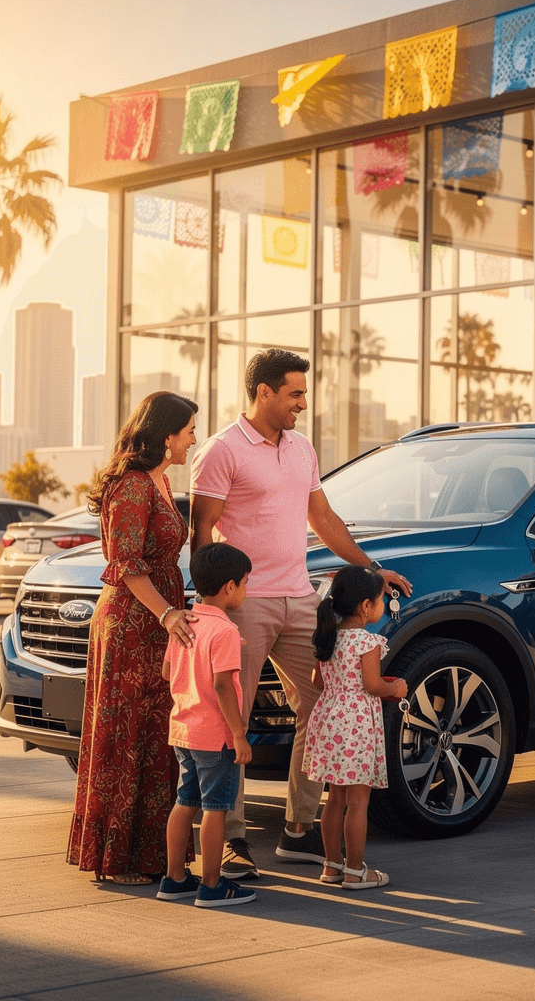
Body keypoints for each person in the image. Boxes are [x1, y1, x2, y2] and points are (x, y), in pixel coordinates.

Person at [190, 348, 412, 879]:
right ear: (263, 392)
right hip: (245, 602)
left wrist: (370, 568)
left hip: (301, 597)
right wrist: (204, 603)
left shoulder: (301, 448)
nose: (302, 404)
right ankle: (231, 837)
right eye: (294, 393)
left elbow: (323, 516)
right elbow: (201, 531)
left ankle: (299, 829)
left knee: (325, 706)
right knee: (231, 718)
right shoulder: (222, 450)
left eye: (303, 393)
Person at [67, 391, 199, 885]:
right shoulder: (132, 486)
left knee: (156, 736)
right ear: (166, 435)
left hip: (158, 624)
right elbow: (124, 564)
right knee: (128, 739)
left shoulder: (160, 481)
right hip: (131, 626)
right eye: (188, 431)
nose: (192, 441)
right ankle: (120, 859)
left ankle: (153, 854)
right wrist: (168, 614)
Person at [158, 543, 257, 908]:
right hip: (216, 737)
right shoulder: (224, 631)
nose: (246, 590)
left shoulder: (185, 622)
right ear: (230, 587)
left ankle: (175, 878)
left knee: (185, 802)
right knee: (216, 808)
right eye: (245, 583)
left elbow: (167, 671)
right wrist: (238, 734)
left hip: (183, 729)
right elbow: (221, 685)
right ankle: (213, 886)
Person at [307, 565, 407, 889]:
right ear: (366, 606)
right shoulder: (367, 641)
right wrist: (396, 689)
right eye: (381, 600)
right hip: (357, 725)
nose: (382, 606)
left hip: (330, 720)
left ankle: (331, 866)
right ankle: (355, 870)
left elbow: (316, 680)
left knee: (334, 799)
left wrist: (342, 687)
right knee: (358, 802)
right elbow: (373, 684)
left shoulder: (328, 637)